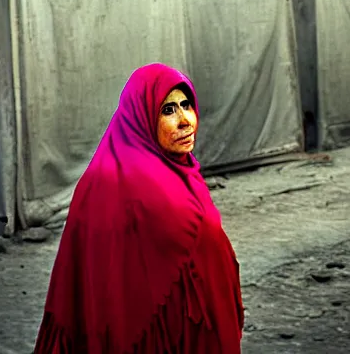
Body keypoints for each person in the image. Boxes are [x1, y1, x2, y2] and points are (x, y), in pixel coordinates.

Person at [34, 63, 244, 353]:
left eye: (186, 105)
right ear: (141, 116)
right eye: (168, 110)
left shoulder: (183, 174)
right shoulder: (117, 182)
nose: (185, 120)